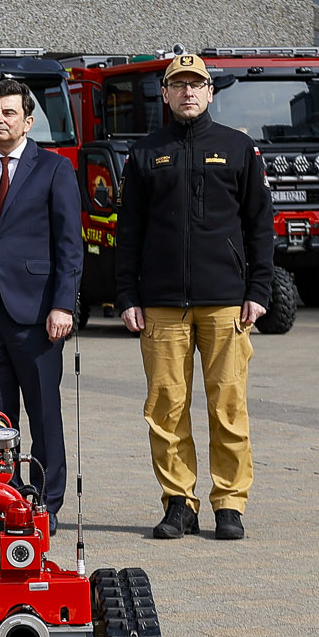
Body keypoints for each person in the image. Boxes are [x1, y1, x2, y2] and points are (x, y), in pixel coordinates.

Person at [114, 53, 274, 542]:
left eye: (196, 84)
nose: (187, 92)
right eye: (178, 84)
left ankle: (229, 503)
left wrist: (259, 289)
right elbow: (129, 232)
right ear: (164, 94)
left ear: (210, 93)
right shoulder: (145, 153)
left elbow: (259, 225)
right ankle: (179, 503)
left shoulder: (238, 148)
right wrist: (127, 295)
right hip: (160, 303)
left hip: (226, 300)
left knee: (228, 404)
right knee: (165, 407)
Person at [0, 78, 81, 514]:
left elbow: (68, 244)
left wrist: (63, 304)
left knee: (43, 417)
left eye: (8, 113)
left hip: (39, 315)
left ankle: (46, 504)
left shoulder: (54, 168)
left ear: (28, 119)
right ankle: (4, 499)